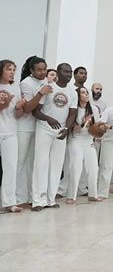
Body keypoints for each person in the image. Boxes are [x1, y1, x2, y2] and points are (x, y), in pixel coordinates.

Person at [31, 63, 77, 211]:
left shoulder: (72, 92)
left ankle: (50, 200)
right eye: (65, 71)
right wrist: (48, 119)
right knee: (41, 163)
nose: (69, 74)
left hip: (60, 131)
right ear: (58, 72)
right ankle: (38, 201)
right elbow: (35, 111)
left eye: (70, 72)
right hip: (44, 129)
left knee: (56, 166)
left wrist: (66, 128)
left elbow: (72, 113)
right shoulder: (48, 87)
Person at [16, 56, 53, 206]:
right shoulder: (25, 83)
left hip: (39, 128)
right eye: (39, 70)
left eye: (44, 69)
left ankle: (32, 197)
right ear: (31, 70)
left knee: (33, 163)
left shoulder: (46, 82)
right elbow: (28, 108)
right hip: (24, 127)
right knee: (20, 162)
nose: (42, 72)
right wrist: (41, 93)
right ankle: (18, 197)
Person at [66, 87, 102, 204]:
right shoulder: (73, 109)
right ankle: (71, 196)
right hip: (76, 140)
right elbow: (74, 130)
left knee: (93, 168)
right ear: (77, 96)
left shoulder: (94, 109)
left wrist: (99, 129)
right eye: (83, 93)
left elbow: (97, 127)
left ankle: (93, 194)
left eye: (87, 92)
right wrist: (83, 123)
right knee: (76, 167)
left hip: (89, 140)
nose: (86, 94)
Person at [0, 59, 25, 212]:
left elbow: (18, 115)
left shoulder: (16, 88)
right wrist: (5, 102)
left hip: (10, 132)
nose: (12, 72)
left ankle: (9, 202)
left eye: (14, 69)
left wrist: (18, 107)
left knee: (11, 167)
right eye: (9, 69)